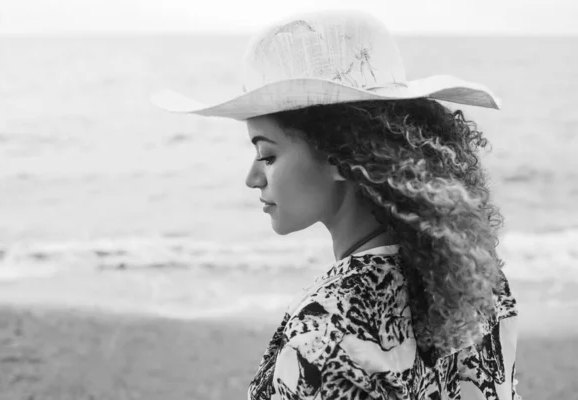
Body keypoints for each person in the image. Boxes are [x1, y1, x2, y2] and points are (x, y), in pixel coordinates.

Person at [152, 9, 521, 400]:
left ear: (338, 155)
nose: (253, 178)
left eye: (267, 155)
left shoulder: (325, 329)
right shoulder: (476, 285)